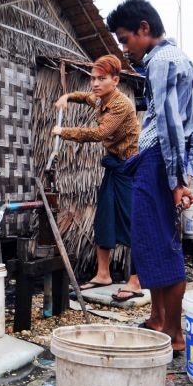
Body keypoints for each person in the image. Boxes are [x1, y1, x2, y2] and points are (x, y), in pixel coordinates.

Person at [107, 0, 193, 351]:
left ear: (144, 29)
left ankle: (174, 333)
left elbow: (168, 126)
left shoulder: (162, 62)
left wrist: (176, 179)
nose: (125, 49)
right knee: (152, 242)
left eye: (125, 39)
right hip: (161, 164)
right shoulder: (185, 62)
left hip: (156, 162)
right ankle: (158, 320)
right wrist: (187, 172)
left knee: (161, 247)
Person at [51, 55, 143, 302]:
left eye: (101, 79)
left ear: (115, 80)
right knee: (104, 218)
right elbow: (85, 97)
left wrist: (64, 132)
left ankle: (136, 279)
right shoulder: (101, 98)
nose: (95, 83)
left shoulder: (120, 105)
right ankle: (103, 274)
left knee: (131, 222)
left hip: (129, 169)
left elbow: (100, 132)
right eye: (93, 78)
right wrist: (66, 96)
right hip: (114, 168)